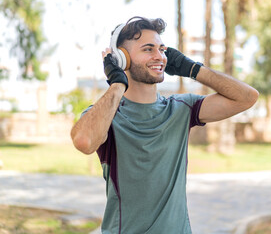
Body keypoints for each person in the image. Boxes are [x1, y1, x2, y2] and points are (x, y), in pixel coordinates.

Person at [71, 16, 259, 234]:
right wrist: (116, 82)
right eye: (148, 49)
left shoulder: (181, 108)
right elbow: (84, 141)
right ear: (122, 58)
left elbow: (247, 98)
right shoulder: (107, 116)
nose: (159, 56)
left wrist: (192, 68)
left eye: (162, 49)